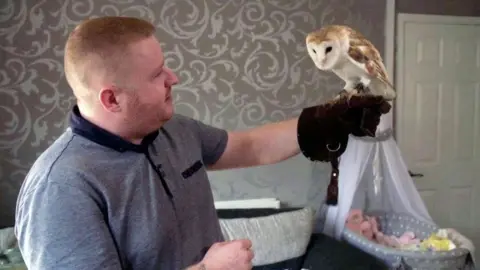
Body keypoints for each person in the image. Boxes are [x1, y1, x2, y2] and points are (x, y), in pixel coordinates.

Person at [14, 16, 391, 270]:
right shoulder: (60, 187)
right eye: (157, 74)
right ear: (112, 99)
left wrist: (324, 121)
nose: (173, 78)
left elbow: (250, 147)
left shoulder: (172, 129)